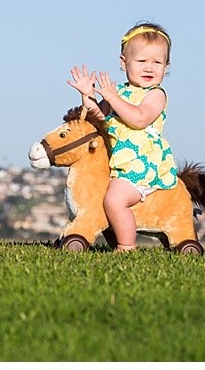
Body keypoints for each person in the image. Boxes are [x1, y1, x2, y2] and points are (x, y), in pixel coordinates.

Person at [67, 22, 178, 252]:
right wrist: (87, 96)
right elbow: (98, 117)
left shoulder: (156, 95)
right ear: (123, 62)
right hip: (116, 164)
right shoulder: (118, 92)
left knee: (114, 200)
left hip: (141, 165)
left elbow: (139, 118)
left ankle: (127, 246)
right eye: (141, 61)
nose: (149, 68)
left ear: (166, 66)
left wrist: (112, 97)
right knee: (97, 195)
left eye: (157, 62)